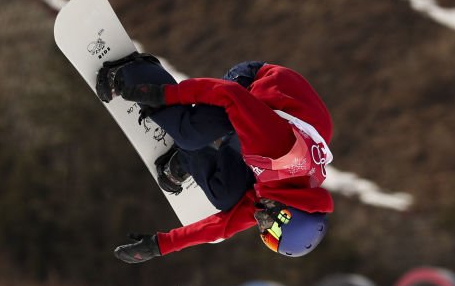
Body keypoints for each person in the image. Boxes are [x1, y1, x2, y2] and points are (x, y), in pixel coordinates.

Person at [95, 54, 334, 263]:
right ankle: (137, 71)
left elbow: (223, 226)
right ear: (285, 214)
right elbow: (230, 94)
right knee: (190, 132)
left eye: (269, 241)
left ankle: (185, 158)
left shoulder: (282, 195)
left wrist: (160, 246)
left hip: (263, 121)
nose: (261, 229)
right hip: (251, 84)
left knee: (226, 196)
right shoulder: (281, 154)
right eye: (271, 234)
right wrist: (164, 94)